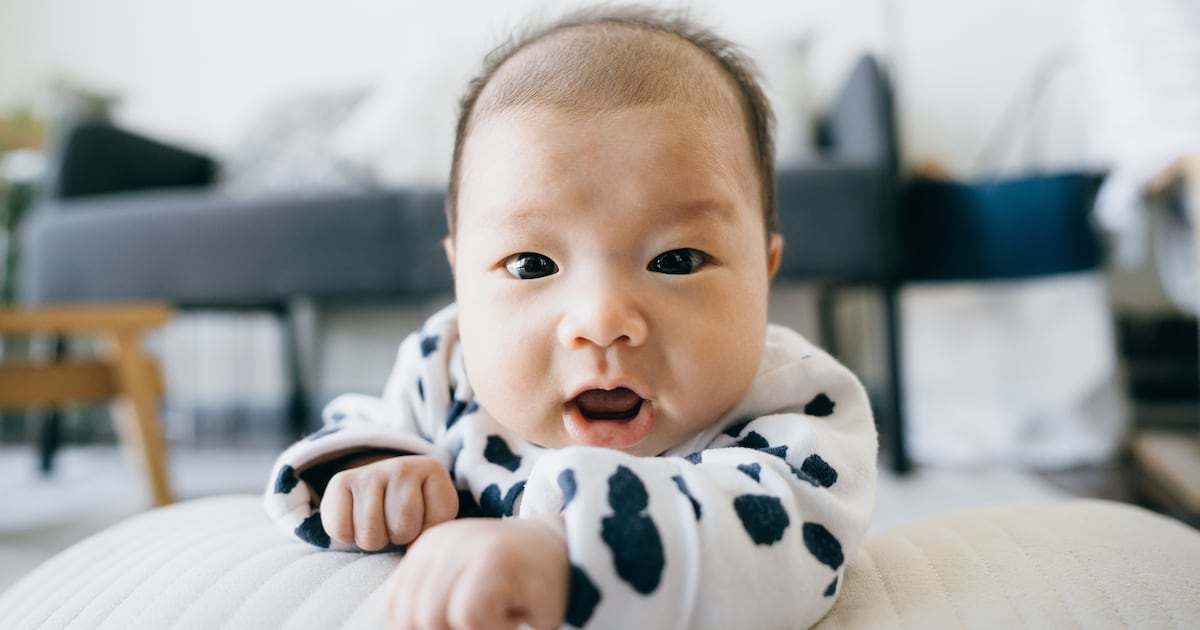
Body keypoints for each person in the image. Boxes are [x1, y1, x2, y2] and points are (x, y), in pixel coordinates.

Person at [265, 7, 877, 629]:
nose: (603, 320)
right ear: (460, 276)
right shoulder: (446, 365)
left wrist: (567, 551)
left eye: (678, 259)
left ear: (763, 270)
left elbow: (784, 547)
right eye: (531, 265)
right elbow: (358, 427)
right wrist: (372, 471)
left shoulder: (797, 403)